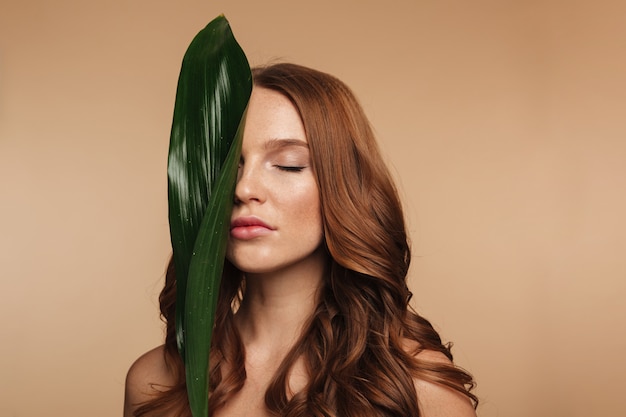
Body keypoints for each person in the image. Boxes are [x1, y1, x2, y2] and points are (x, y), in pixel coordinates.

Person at [124, 63, 478, 417]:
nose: (244, 188)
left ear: (343, 188)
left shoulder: (418, 389)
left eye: (289, 164)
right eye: (229, 167)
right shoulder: (155, 382)